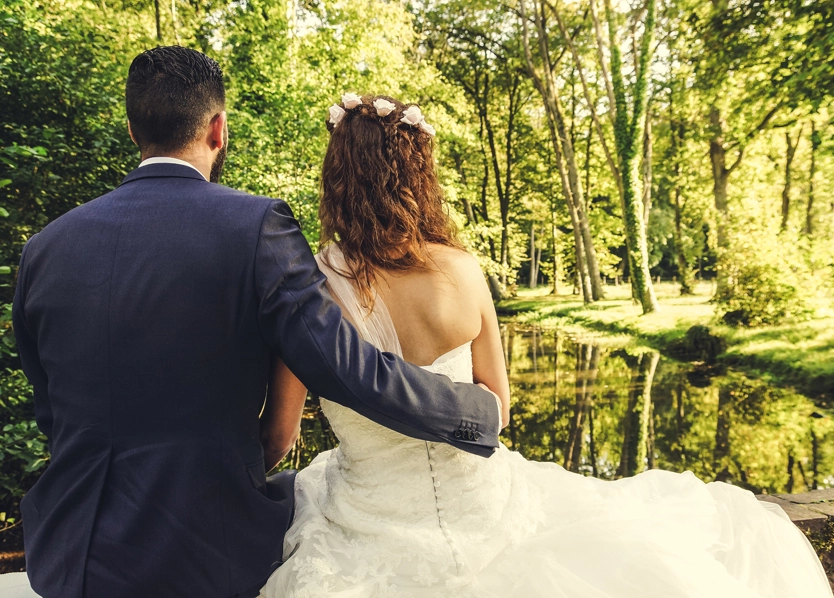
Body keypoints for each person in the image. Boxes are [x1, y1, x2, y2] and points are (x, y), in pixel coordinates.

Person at [259, 95, 834, 598]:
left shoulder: (312, 294)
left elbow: (281, 438)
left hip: (366, 527)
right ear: (417, 176)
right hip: (485, 511)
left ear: (337, 180)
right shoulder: (463, 271)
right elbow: (499, 411)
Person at [10, 48, 502, 598]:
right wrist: (474, 411)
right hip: (204, 552)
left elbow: (53, 411)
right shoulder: (255, 227)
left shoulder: (44, 249)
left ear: (132, 130)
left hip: (71, 552)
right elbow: (342, 366)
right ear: (218, 128)